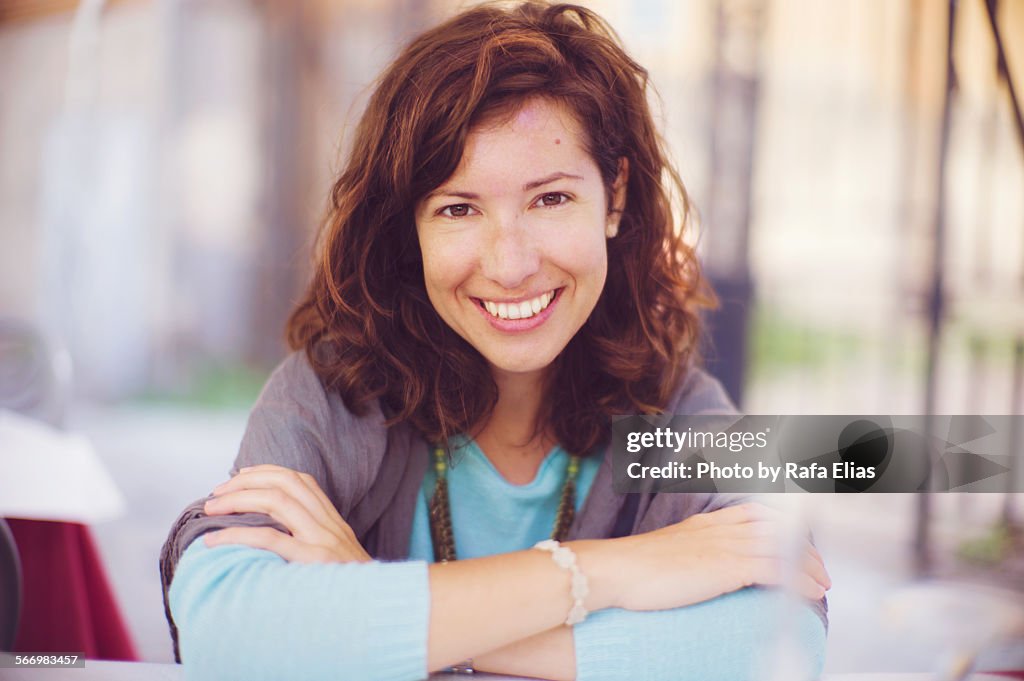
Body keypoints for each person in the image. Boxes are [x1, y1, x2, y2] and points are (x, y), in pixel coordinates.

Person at [159, 2, 831, 679]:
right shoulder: (336, 392)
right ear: (410, 229)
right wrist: (614, 570)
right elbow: (226, 630)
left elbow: (782, 641)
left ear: (615, 195)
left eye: (551, 199)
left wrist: (377, 605)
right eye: (458, 208)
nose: (509, 264)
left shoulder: (682, 409)